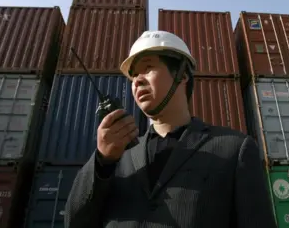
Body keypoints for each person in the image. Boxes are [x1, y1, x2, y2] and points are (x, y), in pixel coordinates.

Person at [64, 30, 277, 228]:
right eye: (133, 75)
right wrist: (103, 161)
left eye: (147, 68)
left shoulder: (235, 149)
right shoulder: (116, 158)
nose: (137, 80)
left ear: (182, 75)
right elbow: (74, 222)